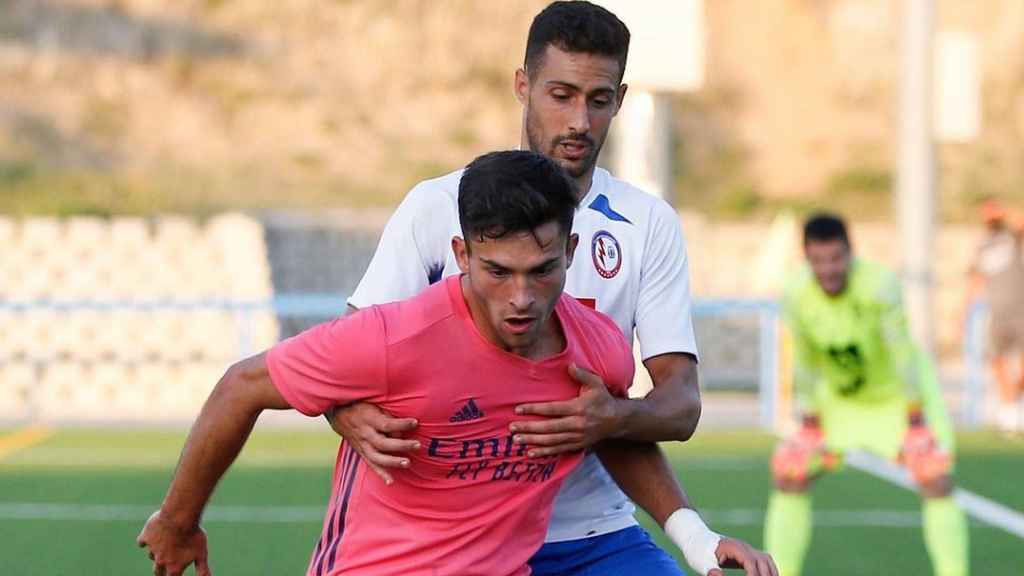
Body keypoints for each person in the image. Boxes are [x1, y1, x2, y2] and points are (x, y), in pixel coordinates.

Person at [137, 151, 770, 576]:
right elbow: (242, 385)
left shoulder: (597, 346)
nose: (521, 298)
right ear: (461, 254)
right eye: (498, 272)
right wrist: (178, 520)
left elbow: (607, 431)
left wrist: (695, 536)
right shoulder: (391, 336)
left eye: (542, 271)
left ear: (571, 252)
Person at [326, 3, 773, 575]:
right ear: (523, 85)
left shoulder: (647, 224)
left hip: (596, 531)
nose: (579, 122)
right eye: (560, 95)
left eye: (599, 100)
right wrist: (346, 412)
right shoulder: (437, 207)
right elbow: (341, 358)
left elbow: (680, 403)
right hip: (456, 534)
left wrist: (608, 421)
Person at [764, 213, 969, 576]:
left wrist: (915, 417)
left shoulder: (880, 285)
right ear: (806, 258)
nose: (828, 270)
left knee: (935, 477)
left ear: (850, 253)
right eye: (818, 261)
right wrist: (809, 416)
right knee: (790, 473)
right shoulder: (796, 292)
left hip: (897, 399)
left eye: (836, 258)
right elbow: (806, 357)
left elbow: (902, 351)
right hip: (837, 401)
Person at [963, 198, 1024, 434]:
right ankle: (1009, 410)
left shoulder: (1013, 238)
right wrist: (964, 312)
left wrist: (1006, 216)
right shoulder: (983, 245)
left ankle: (1014, 401)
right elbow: (976, 279)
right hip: (996, 311)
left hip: (1020, 309)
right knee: (996, 360)